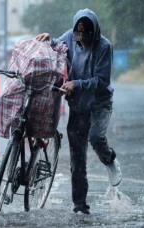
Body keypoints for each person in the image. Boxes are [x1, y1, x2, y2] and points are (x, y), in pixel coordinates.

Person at [36, 8, 122, 214]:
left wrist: (77, 84)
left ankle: (109, 159)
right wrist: (49, 39)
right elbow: (57, 44)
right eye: (78, 35)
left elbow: (102, 81)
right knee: (77, 159)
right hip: (78, 105)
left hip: (99, 104)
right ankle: (80, 206)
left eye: (86, 36)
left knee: (96, 137)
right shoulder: (71, 37)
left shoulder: (104, 47)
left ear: (95, 33)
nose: (81, 41)